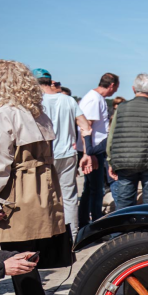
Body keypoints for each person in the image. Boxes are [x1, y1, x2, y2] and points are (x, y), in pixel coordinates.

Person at [0, 60, 66, 295]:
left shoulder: (4, 113)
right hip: (43, 184)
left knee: (15, 247)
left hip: (17, 185)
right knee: (27, 244)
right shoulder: (38, 112)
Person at [35, 68, 92, 238]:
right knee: (69, 198)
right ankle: (72, 239)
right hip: (67, 154)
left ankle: (48, 238)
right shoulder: (69, 100)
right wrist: (87, 153)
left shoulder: (35, 101)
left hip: (44, 155)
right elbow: (86, 127)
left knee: (44, 199)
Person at [105, 74, 148, 209]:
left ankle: (125, 228)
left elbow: (111, 136)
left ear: (133, 89)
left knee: (124, 202)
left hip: (125, 160)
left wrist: (110, 160)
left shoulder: (121, 108)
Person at [78, 72, 119, 228]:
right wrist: (89, 153)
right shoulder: (94, 99)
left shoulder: (96, 98)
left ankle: (86, 221)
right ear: (112, 85)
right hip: (93, 150)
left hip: (93, 149)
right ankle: (95, 225)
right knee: (96, 190)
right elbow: (86, 127)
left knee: (91, 189)